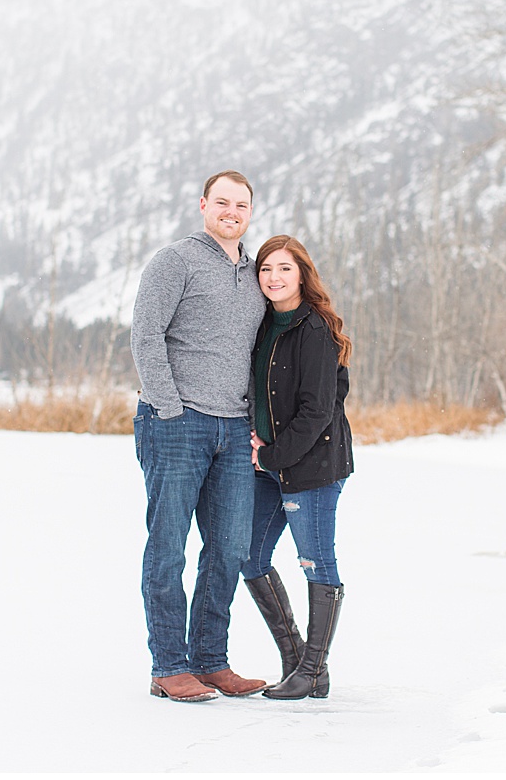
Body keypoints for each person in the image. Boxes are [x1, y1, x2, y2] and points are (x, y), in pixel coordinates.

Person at [130, 170, 269, 703]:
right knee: (167, 547)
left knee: (229, 547)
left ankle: (210, 660)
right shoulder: (175, 261)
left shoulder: (255, 272)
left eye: (242, 205)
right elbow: (146, 333)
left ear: (250, 213)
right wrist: (168, 406)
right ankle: (168, 665)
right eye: (223, 202)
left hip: (234, 430)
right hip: (177, 423)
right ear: (204, 205)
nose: (232, 212)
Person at [241, 234, 353, 700]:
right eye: (266, 269)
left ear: (303, 274)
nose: (274, 277)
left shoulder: (315, 330)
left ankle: (314, 669)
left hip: (311, 466)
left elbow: (317, 410)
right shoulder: (262, 324)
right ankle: (297, 660)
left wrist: (271, 454)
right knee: (248, 555)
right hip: (269, 467)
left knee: (315, 560)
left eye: (285, 268)